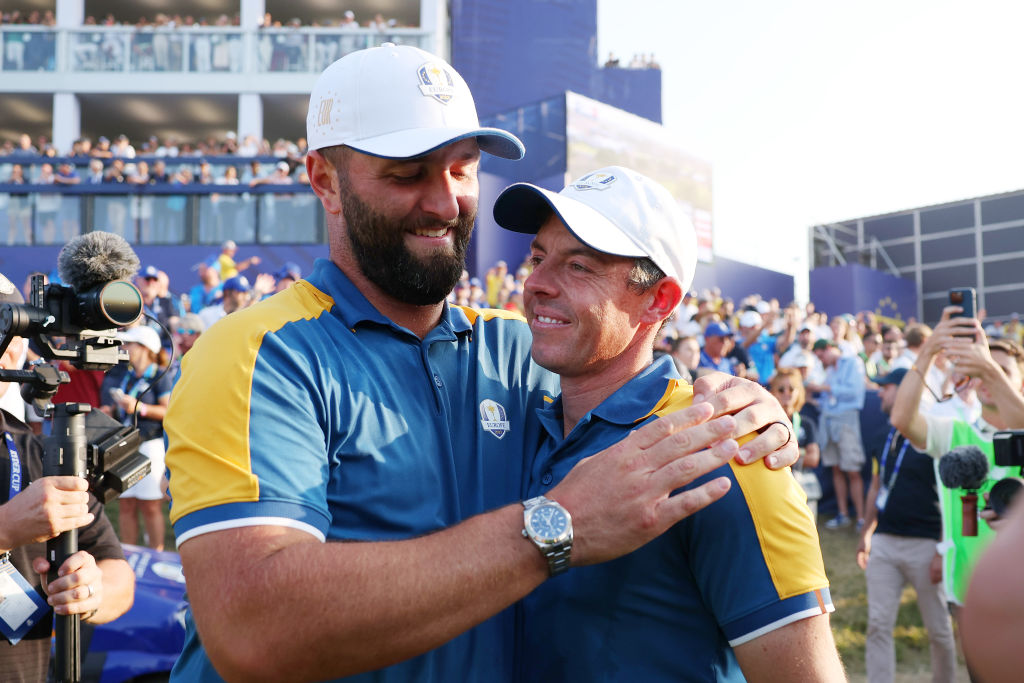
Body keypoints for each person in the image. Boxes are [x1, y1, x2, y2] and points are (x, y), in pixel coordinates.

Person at [164, 44, 799, 683]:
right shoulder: (257, 354)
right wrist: (557, 526)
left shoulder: (520, 352)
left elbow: (629, 368)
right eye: (406, 175)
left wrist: (738, 404)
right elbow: (254, 631)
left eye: (462, 170)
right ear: (325, 180)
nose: (444, 203)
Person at [492, 166, 843, 681]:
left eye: (580, 266)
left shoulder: (727, 446)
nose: (537, 283)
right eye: (539, 257)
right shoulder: (519, 423)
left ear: (659, 299)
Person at [0, 274, 134, 682]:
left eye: (12, 334)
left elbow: (117, 571)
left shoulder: (39, 451)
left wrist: (91, 592)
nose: (8, 349)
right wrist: (6, 529)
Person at [889, 307, 1024, 608]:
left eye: (1004, 371)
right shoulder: (955, 433)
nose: (991, 376)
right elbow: (902, 419)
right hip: (968, 591)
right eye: (986, 370)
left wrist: (987, 367)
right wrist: (928, 351)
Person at [856, 368, 956, 683]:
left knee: (939, 631)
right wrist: (866, 534)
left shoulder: (932, 434)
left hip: (926, 545)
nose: (880, 394)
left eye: (886, 388)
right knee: (877, 625)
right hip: (884, 543)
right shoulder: (881, 437)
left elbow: (950, 493)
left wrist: (941, 549)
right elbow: (876, 486)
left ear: (904, 391)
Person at [100, 325, 172, 551]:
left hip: (151, 443)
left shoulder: (161, 375)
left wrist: (139, 407)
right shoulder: (129, 375)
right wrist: (111, 410)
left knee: (150, 506)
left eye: (130, 344)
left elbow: (168, 411)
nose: (125, 347)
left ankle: (156, 553)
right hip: (126, 445)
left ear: (144, 348)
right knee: (126, 504)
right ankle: (129, 554)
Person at [812, 337, 867, 529]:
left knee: (852, 470)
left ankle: (861, 518)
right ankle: (843, 514)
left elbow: (854, 392)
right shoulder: (830, 370)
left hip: (846, 422)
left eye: (822, 356)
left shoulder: (853, 362)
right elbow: (829, 399)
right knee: (835, 469)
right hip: (828, 421)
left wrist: (824, 388)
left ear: (829, 348)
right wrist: (813, 400)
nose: (822, 361)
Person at [769, 367, 822, 518]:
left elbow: (814, 459)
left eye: (791, 389)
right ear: (772, 392)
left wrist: (780, 456)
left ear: (799, 392)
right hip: (774, 488)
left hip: (801, 487)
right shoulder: (765, 423)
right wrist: (799, 453)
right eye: (781, 389)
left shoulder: (806, 423)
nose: (787, 393)